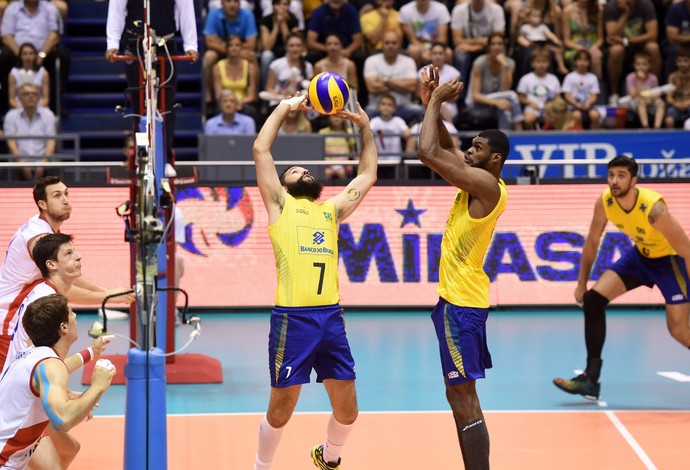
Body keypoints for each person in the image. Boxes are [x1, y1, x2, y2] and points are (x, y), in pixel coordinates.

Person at [251, 93, 377, 470]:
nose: (302, 171)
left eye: (305, 170)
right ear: (284, 184)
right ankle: (261, 466)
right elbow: (261, 148)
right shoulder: (279, 205)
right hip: (294, 320)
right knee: (280, 411)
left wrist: (366, 128)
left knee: (349, 410)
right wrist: (287, 107)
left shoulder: (331, 210)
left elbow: (368, 174)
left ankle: (329, 456)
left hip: (331, 319)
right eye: (294, 171)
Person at [417, 66, 509, 470]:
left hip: (462, 304)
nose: (468, 151)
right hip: (455, 302)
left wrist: (436, 103)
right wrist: (430, 102)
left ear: (495, 158)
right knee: (456, 395)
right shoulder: (475, 176)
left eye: (476, 147)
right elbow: (443, 146)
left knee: (465, 396)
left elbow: (426, 153)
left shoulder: (487, 187)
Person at [553, 155, 690, 400]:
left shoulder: (654, 209)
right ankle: (590, 381)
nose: (614, 181)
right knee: (593, 300)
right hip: (641, 257)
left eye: (621, 176)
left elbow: (686, 250)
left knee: (679, 330)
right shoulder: (605, 201)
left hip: (670, 262)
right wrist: (581, 283)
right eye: (611, 175)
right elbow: (592, 243)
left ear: (634, 180)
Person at [1, 233, 112, 469]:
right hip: (13, 428)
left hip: (21, 393)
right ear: (62, 327)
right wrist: (98, 386)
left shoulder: (43, 353)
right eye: (69, 253)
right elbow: (62, 416)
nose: (75, 316)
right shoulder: (45, 300)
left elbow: (46, 371)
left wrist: (91, 352)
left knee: (69, 450)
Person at [0, 176, 134, 367]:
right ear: (42, 204)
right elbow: (64, 286)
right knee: (16, 389)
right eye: (57, 195)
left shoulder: (43, 228)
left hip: (21, 319)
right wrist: (108, 296)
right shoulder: (38, 238)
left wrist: (108, 292)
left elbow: (70, 273)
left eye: (66, 193)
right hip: (8, 322)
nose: (65, 200)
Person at [106, 0, 199, 168]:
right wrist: (112, 42)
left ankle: (166, 157)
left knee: (167, 101)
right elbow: (116, 8)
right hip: (135, 43)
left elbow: (185, 7)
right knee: (137, 99)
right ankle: (141, 153)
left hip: (165, 44)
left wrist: (190, 44)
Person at [603, 0, 659, 105]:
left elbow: (653, 35)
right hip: (621, 48)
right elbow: (612, 36)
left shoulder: (645, 5)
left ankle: (653, 89)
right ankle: (614, 93)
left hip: (640, 46)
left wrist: (626, 41)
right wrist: (625, 14)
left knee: (653, 47)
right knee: (616, 50)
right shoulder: (611, 7)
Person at [3, 82, 56, 180]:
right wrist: (22, 164)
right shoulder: (11, 116)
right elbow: (11, 144)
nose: (31, 96)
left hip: (44, 162)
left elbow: (51, 142)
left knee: (56, 175)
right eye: (26, 93)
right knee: (7, 173)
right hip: (18, 164)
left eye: (34, 93)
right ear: (19, 98)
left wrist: (43, 163)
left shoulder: (48, 115)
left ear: (39, 97)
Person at [516, 46, 561, 129]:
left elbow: (558, 97)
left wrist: (551, 105)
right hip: (533, 107)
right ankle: (531, 138)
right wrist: (530, 103)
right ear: (532, 63)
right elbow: (521, 98)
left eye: (544, 61)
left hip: (549, 108)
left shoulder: (553, 78)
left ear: (548, 63)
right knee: (528, 119)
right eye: (538, 61)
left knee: (557, 118)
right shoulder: (526, 78)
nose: (541, 64)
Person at [622, 50, 665, 129]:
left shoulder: (653, 78)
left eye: (644, 64)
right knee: (641, 101)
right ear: (634, 65)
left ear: (649, 66)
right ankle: (645, 126)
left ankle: (657, 127)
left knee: (661, 103)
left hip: (650, 100)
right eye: (638, 64)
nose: (641, 67)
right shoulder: (630, 77)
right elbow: (633, 95)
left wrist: (653, 97)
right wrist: (639, 81)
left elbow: (656, 93)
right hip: (634, 102)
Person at [561, 49, 601, 129]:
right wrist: (576, 104)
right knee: (577, 115)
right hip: (573, 106)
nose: (582, 63)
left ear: (589, 62)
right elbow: (567, 95)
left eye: (586, 60)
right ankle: (580, 138)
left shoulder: (593, 77)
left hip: (588, 105)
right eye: (580, 59)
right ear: (575, 61)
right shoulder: (570, 77)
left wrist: (589, 104)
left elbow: (594, 95)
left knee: (595, 115)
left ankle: (595, 137)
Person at [8, 42, 50, 110]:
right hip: (18, 107)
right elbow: (11, 100)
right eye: (25, 54)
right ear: (20, 56)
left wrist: (34, 109)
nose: (28, 57)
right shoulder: (13, 73)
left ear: (35, 56)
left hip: (39, 107)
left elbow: (46, 100)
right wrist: (23, 110)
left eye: (31, 53)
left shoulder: (43, 73)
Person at [664, 47, 690, 128]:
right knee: (669, 120)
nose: (682, 64)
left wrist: (688, 103)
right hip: (676, 105)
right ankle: (671, 139)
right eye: (679, 61)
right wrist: (676, 103)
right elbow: (669, 97)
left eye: (685, 61)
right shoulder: (672, 77)